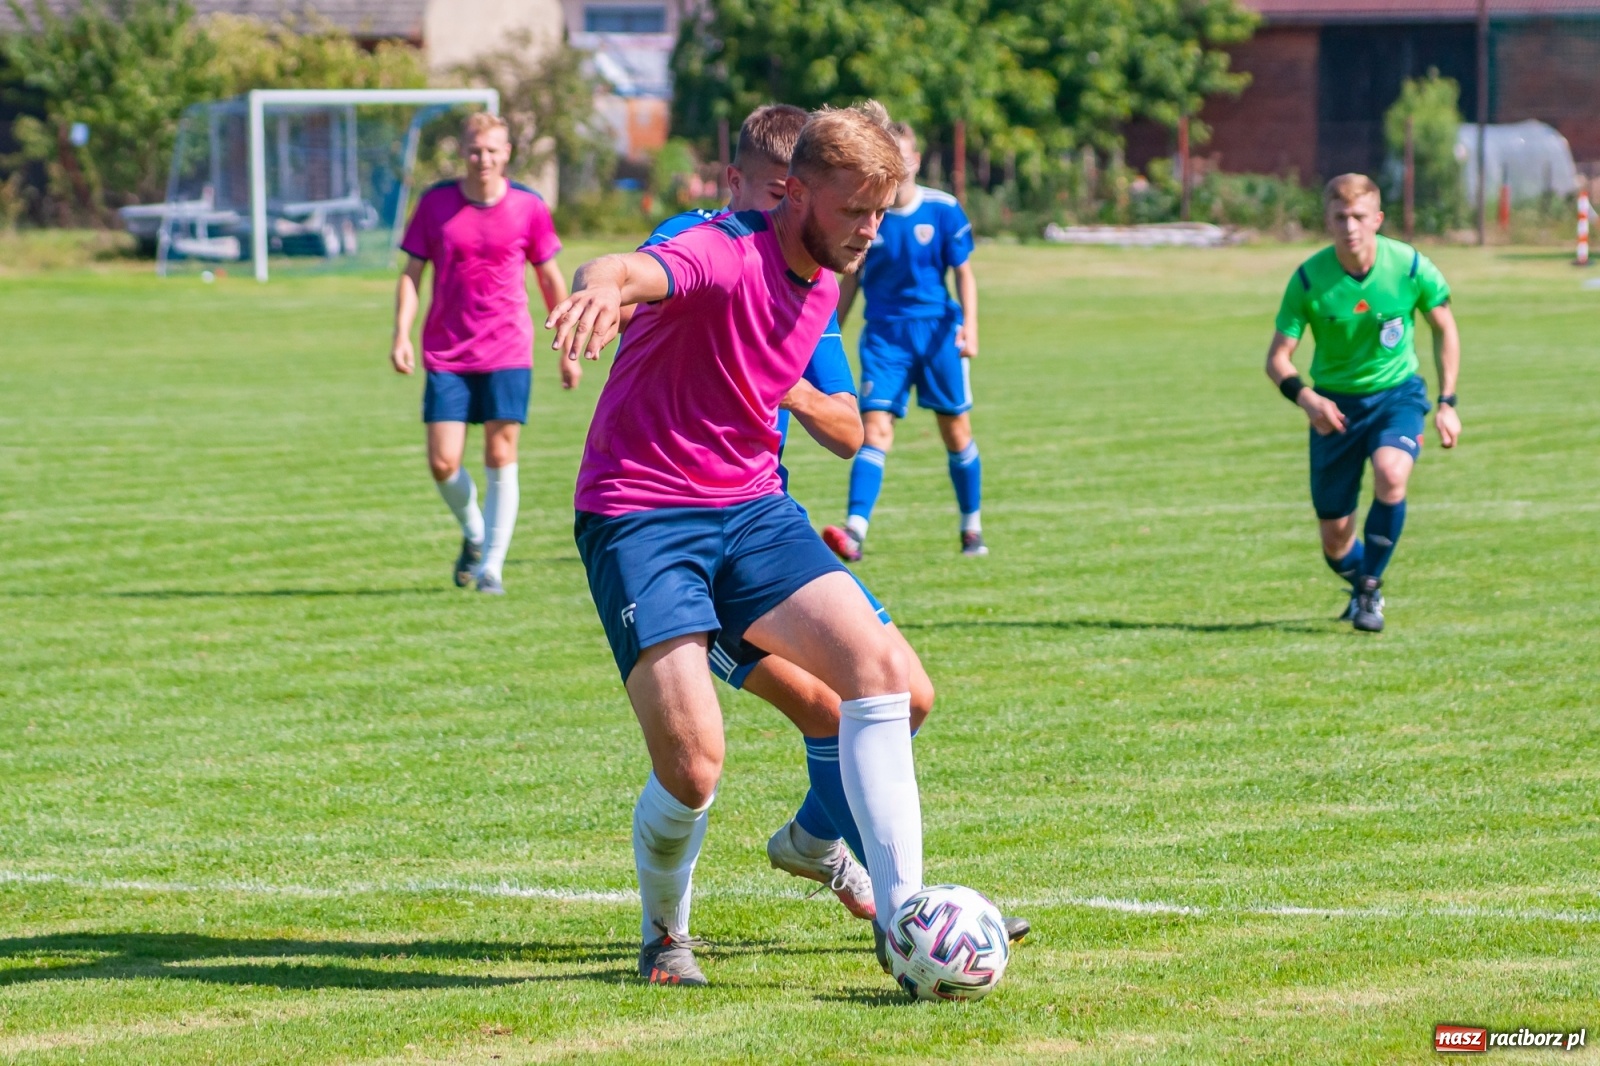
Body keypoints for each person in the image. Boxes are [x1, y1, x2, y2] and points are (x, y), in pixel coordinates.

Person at [549, 101, 934, 987]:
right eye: (853, 212)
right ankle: (664, 931)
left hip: (754, 511)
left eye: (881, 213)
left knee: (884, 678)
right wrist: (603, 286)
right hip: (641, 513)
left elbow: (841, 425)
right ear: (792, 193)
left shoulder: (828, 281)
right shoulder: (725, 251)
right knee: (692, 765)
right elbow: (636, 268)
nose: (869, 231)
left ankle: (904, 920)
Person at [1265, 173, 1461, 632]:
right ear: (1327, 221)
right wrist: (1307, 398)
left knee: (1393, 475)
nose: (1350, 226)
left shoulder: (1410, 266)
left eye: (1358, 216)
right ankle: (1358, 581)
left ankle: (1369, 589)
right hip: (1333, 408)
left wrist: (1447, 400)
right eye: (1340, 217)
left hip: (1397, 395)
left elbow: (1444, 327)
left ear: (1377, 219)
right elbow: (1277, 358)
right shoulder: (1310, 279)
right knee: (1335, 541)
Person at [390, 111, 573, 595]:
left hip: (508, 347)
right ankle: (474, 533)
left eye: (492, 150)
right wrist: (401, 334)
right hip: (447, 351)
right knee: (443, 462)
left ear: (506, 153)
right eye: (474, 150)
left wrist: (567, 347)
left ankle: (492, 566)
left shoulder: (529, 207)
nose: (482, 159)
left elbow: (550, 278)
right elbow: (412, 273)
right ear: (462, 151)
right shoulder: (436, 205)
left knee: (500, 451)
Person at [822, 121, 985, 560]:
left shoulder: (944, 210)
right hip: (884, 338)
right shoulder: (866, 217)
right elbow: (850, 284)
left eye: (903, 153)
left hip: (936, 335)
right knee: (874, 429)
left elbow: (963, 273)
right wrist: (825, 332)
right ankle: (854, 531)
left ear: (913, 160)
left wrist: (970, 326)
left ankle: (972, 527)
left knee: (955, 431)